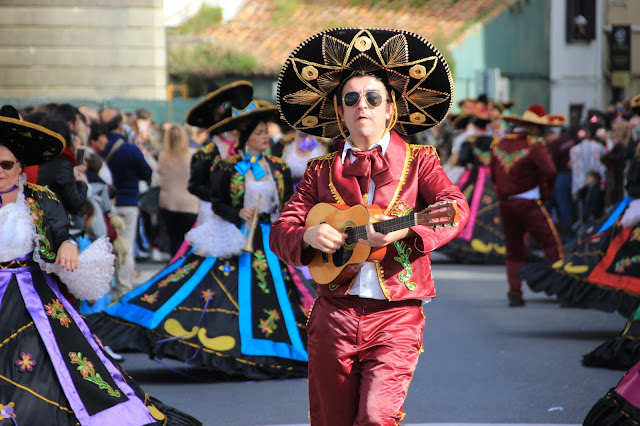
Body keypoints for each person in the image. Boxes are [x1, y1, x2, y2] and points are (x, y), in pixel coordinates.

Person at [271, 28, 469, 425]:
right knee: (330, 420)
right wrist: (307, 235)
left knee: (377, 417)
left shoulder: (421, 161)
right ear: (340, 111)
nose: (362, 105)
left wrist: (405, 231)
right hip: (333, 315)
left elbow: (454, 208)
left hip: (396, 315)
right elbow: (281, 231)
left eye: (373, 98)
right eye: (351, 99)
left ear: (389, 108)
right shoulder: (319, 171)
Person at [85, 99, 314, 380]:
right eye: (259, 133)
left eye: (266, 132)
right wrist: (238, 211)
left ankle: (279, 347)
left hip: (270, 240)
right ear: (245, 138)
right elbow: (217, 202)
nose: (265, 137)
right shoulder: (228, 167)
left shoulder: (279, 167)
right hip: (236, 236)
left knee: (277, 294)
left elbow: (289, 201)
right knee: (217, 289)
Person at [0, 112, 201, 425]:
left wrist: (67, 246)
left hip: (31, 294)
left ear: (20, 167)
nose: (0, 171)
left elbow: (60, 232)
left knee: (51, 360)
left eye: (6, 164)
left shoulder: (39, 198)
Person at [490, 104, 566, 306]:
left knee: (513, 250)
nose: (541, 133)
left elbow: (493, 175)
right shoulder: (534, 144)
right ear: (532, 127)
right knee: (551, 244)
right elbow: (551, 171)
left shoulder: (498, 143)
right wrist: (546, 189)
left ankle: (515, 293)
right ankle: (563, 289)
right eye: (540, 128)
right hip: (530, 203)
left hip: (506, 204)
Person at [437, 96, 506, 264]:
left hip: (473, 176)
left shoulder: (469, 139)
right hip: (492, 178)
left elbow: (460, 160)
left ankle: (463, 240)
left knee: (465, 206)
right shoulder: (497, 139)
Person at [99, 108, 152, 301]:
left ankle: (103, 289)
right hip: (128, 203)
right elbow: (147, 173)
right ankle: (124, 290)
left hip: (104, 204)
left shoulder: (98, 147)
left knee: (103, 246)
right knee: (126, 248)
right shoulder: (130, 149)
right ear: (121, 127)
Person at [157, 124, 199, 257]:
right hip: (190, 204)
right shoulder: (194, 154)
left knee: (174, 240)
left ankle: (173, 265)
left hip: (168, 203)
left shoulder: (163, 155)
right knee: (188, 244)